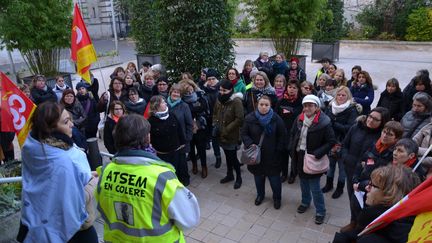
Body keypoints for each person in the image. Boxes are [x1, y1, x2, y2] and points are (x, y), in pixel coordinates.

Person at [95, 114, 200, 242]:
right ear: (147, 138)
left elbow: (102, 209)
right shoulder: (162, 176)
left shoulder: (106, 171)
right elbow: (189, 219)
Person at [17, 102, 98, 242]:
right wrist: (94, 183)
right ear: (50, 129)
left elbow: (54, 186)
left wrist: (81, 175)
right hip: (74, 230)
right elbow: (75, 198)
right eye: (66, 122)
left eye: (70, 119)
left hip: (36, 221)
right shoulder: (66, 160)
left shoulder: (30, 148)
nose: (72, 125)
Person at [334, 165, 420, 243]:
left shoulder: (371, 239)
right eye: (369, 183)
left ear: (389, 194)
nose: (367, 187)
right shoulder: (393, 222)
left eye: (372, 185)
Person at [340, 107, 390, 232]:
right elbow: (345, 145)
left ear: (382, 123)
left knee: (365, 202)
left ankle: (361, 225)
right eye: (370, 116)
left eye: (376, 119)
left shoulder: (381, 136)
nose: (371, 120)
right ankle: (353, 221)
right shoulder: (356, 127)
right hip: (351, 169)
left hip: (369, 176)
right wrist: (346, 158)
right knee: (352, 197)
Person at [290, 95, 336, 225]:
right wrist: (291, 148)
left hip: (313, 158)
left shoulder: (324, 122)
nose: (307, 108)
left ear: (317, 107)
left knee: (315, 187)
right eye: (305, 105)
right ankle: (305, 202)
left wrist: (318, 153)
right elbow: (293, 133)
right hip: (300, 155)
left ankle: (321, 211)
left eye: (310, 105)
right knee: (303, 183)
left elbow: (331, 141)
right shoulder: (299, 119)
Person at [351, 121, 403, 227]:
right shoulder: (373, 144)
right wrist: (355, 179)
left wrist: (364, 184)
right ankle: (353, 223)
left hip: (373, 189)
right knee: (355, 206)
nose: (385, 136)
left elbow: (384, 179)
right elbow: (361, 162)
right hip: (360, 186)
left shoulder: (393, 155)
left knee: (366, 215)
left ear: (396, 139)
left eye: (390, 134)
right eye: (384, 132)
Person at [242, 95, 286, 208]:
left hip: (272, 156)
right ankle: (260, 195)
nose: (264, 107)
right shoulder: (250, 118)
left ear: (270, 106)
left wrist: (278, 151)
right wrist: (249, 143)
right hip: (256, 156)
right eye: (261, 104)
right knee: (258, 177)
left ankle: (277, 198)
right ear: (257, 105)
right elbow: (244, 133)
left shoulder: (276, 119)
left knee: (274, 180)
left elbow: (282, 136)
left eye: (267, 105)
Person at [322, 86, 359, 199]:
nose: (341, 97)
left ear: (348, 96)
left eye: (343, 95)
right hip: (330, 141)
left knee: (342, 168)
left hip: (344, 142)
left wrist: (334, 123)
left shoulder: (352, 109)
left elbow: (350, 128)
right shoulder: (330, 106)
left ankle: (339, 188)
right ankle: (328, 184)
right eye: (339, 95)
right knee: (330, 165)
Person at [213, 80, 245, 189]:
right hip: (220, 134)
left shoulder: (236, 101)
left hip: (231, 135)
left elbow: (239, 119)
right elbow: (215, 113)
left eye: (224, 90)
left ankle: (239, 177)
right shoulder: (219, 99)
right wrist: (215, 124)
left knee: (233, 157)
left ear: (231, 90)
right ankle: (229, 174)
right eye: (220, 90)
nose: (221, 92)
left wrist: (226, 129)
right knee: (227, 155)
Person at [148, 95, 186, 181]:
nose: (166, 103)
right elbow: (150, 138)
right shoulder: (151, 121)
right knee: (165, 173)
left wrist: (183, 142)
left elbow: (179, 129)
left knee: (175, 170)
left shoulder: (172, 115)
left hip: (175, 150)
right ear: (156, 105)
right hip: (161, 154)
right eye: (163, 102)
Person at [179, 79, 210, 178]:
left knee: (201, 148)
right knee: (191, 148)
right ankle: (194, 165)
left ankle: (204, 167)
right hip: (188, 128)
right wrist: (194, 109)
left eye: (191, 89)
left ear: (193, 87)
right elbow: (187, 111)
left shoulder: (200, 95)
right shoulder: (182, 100)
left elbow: (203, 107)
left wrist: (192, 110)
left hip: (200, 126)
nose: (189, 92)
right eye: (187, 90)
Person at [276, 79, 303, 183]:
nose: (291, 89)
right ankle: (284, 173)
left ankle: (293, 174)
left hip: (295, 133)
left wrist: (288, 111)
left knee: (293, 155)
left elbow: (299, 115)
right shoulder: (281, 101)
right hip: (282, 132)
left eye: (294, 88)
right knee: (283, 155)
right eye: (290, 87)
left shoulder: (300, 102)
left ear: (298, 89)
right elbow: (277, 115)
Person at [167, 84, 193, 186]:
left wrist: (187, 138)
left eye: (178, 92)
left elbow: (189, 123)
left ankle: (185, 179)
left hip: (181, 140)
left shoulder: (184, 106)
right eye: (174, 92)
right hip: (169, 139)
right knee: (172, 162)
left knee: (182, 162)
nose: (176, 94)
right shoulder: (164, 104)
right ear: (170, 92)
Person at [202, 71, 222, 168]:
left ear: (216, 79)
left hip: (221, 118)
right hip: (209, 118)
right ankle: (218, 157)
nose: (211, 81)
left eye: (213, 79)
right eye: (209, 79)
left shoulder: (221, 89)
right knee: (214, 140)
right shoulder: (204, 90)